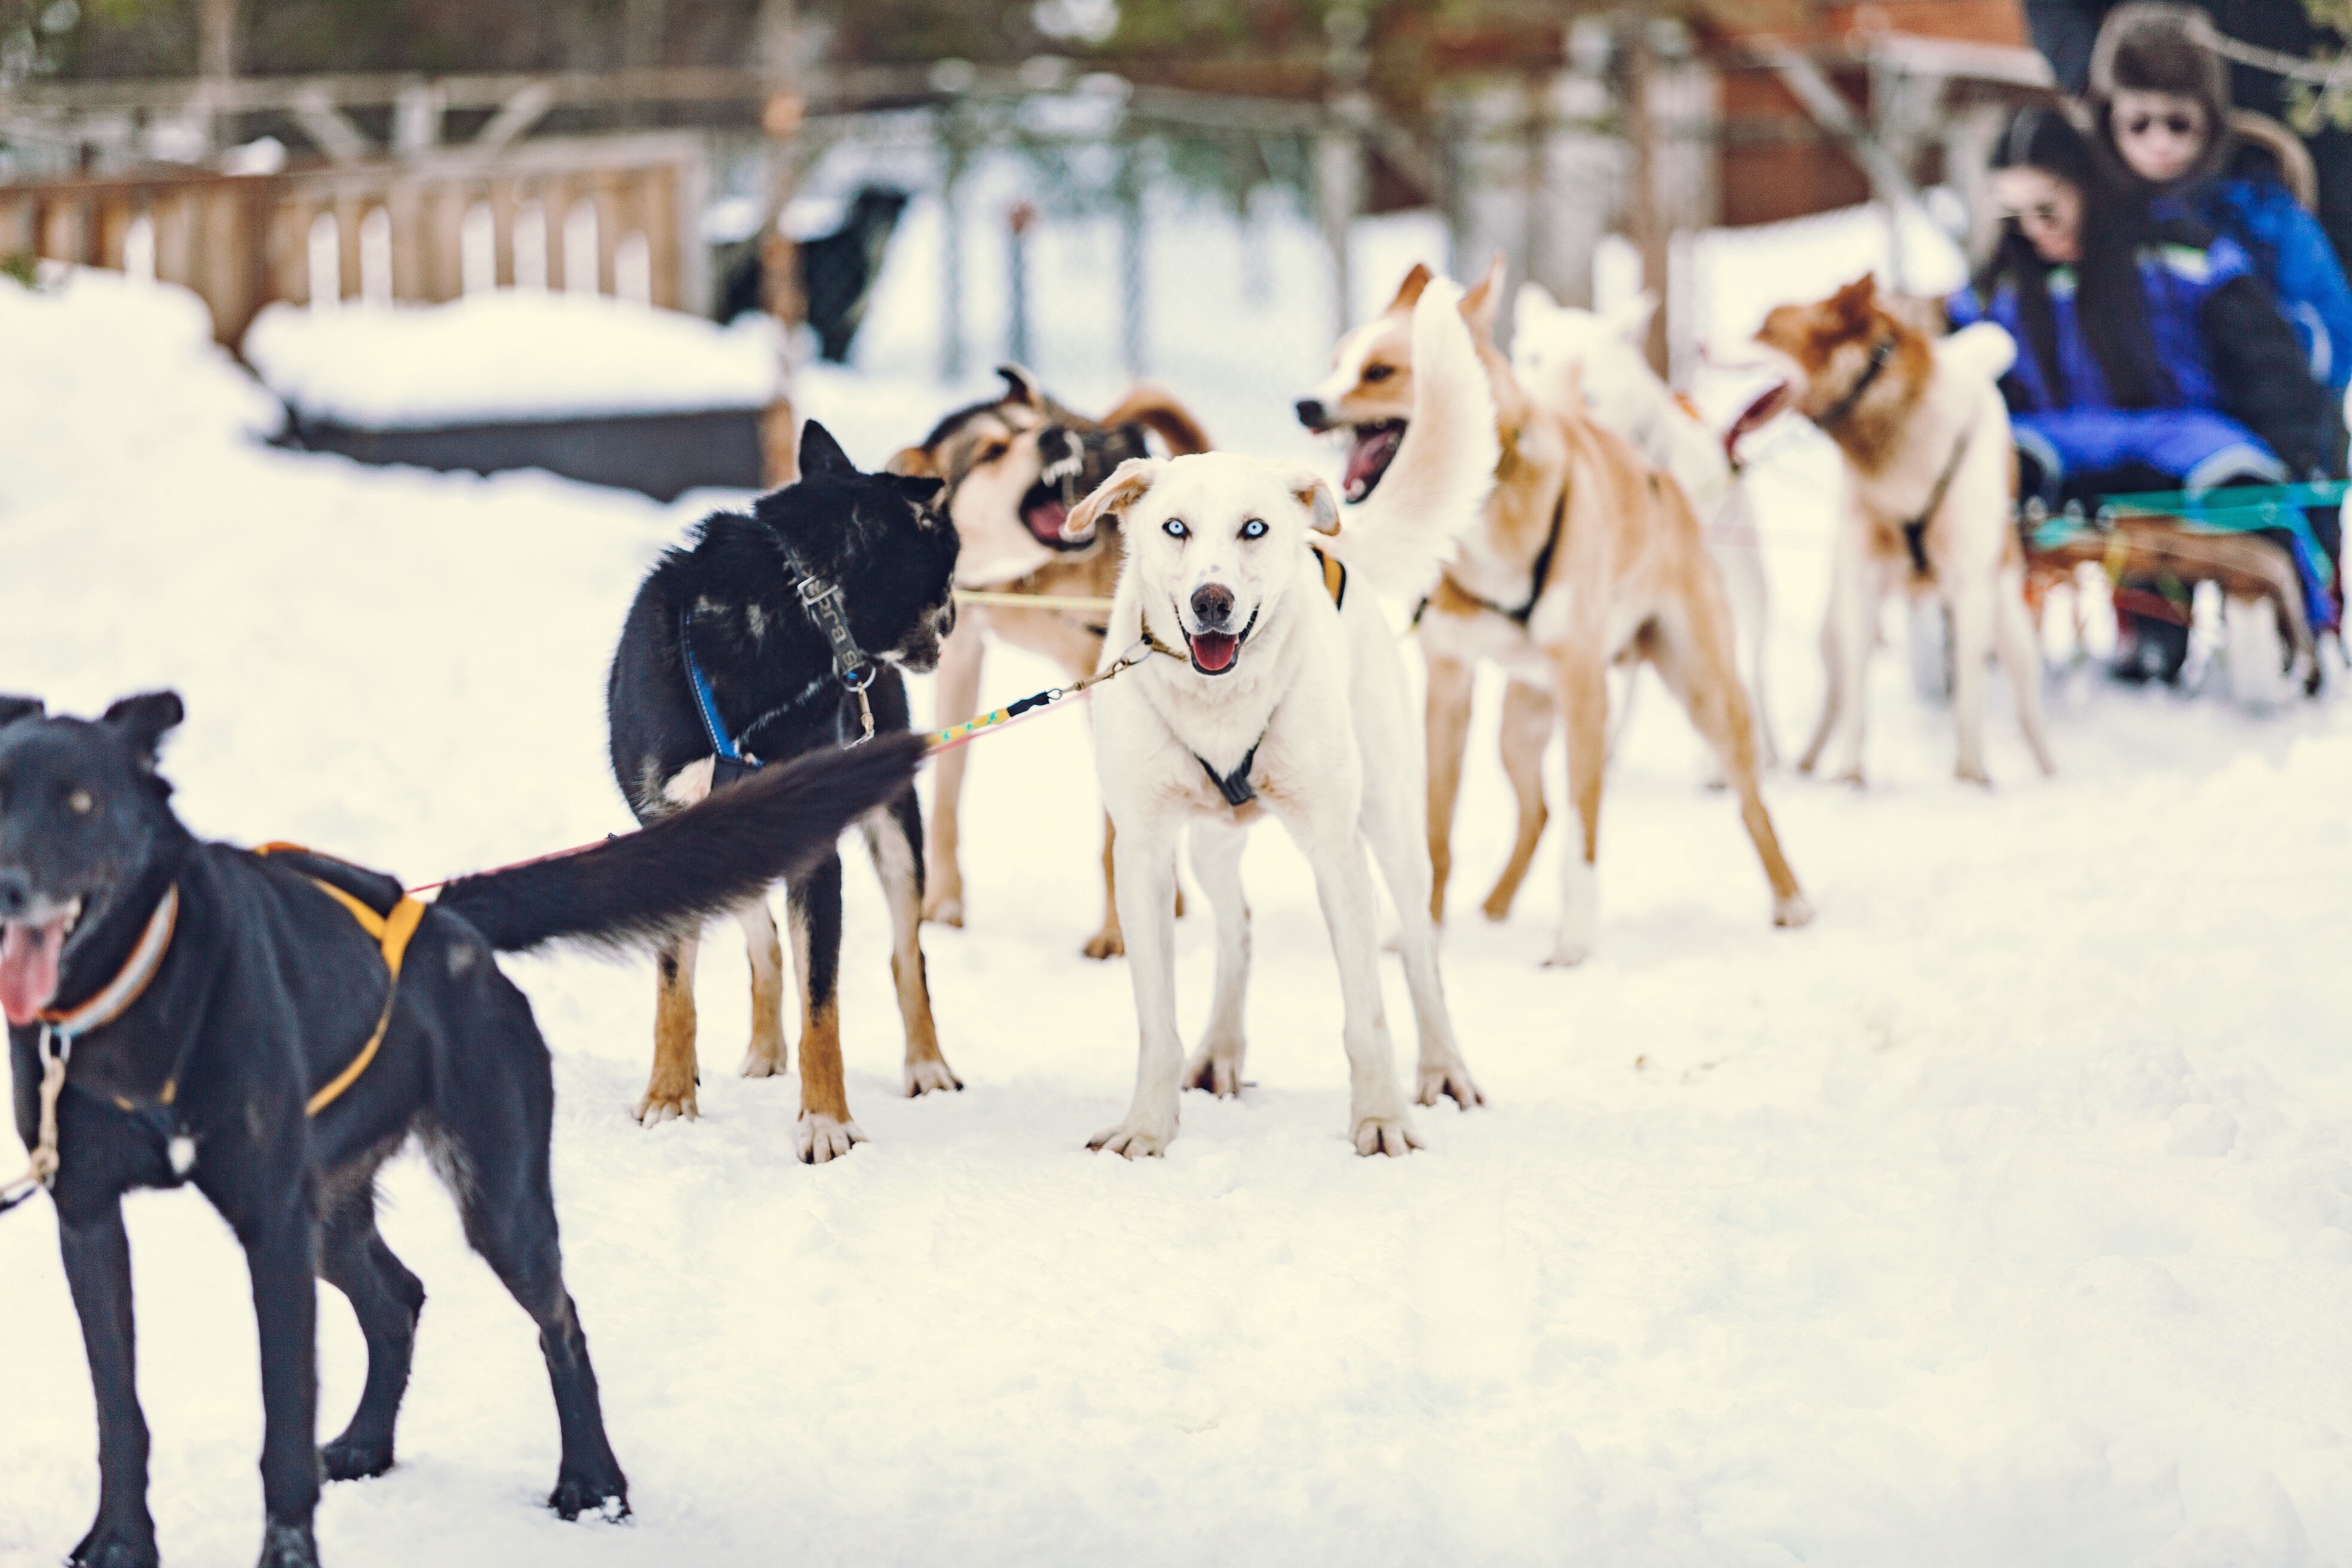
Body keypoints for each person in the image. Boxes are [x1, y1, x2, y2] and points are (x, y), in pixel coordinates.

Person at [1950, 104, 2339, 681]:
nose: (2035, 229)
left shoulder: (2177, 257)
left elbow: (2265, 362)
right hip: (2057, 449)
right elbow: (1968, 389)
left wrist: (2300, 448)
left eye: (2047, 209)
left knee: (2255, 495)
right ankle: (1990, 631)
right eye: (2015, 217)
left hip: (2184, 438)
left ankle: (2288, 635)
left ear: (2085, 189)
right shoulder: (1995, 293)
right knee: (1989, 478)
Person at [2088, 2, 2352, 400]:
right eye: (2138, 124)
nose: (2159, 144)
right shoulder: (2084, 214)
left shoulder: (2263, 213)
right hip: (2115, 424)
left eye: (2178, 124)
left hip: (2248, 425)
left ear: (2209, 121)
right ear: (2107, 122)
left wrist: (2258, 340)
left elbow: (2335, 341)